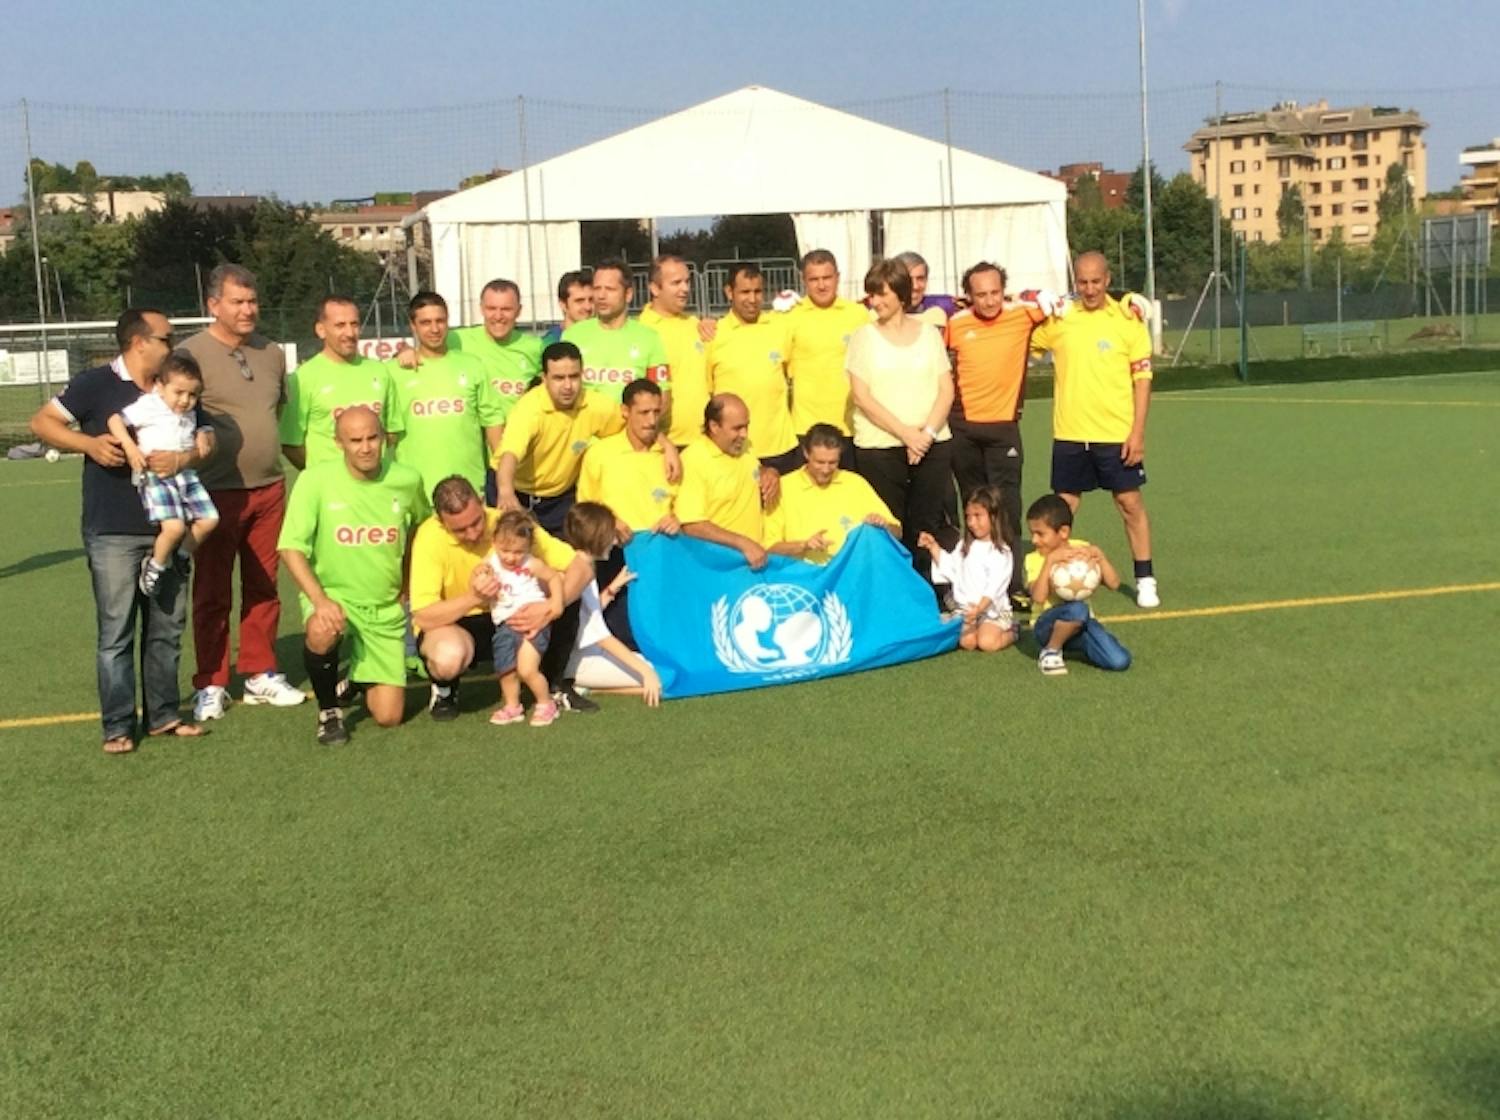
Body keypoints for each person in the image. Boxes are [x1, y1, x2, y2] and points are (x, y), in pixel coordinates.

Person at [29, 308, 205, 753]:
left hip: (171, 526)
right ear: (139, 342)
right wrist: (88, 444)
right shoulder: (95, 384)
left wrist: (186, 457)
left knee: (166, 628)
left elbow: (203, 438)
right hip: (113, 530)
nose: (174, 345)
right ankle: (118, 726)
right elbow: (42, 423)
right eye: (166, 337)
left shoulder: (177, 384)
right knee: (116, 632)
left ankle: (164, 716)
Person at [179, 263, 305, 720]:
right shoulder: (189, 353)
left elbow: (280, 414)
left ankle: (259, 673)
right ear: (214, 305)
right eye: (237, 302)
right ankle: (211, 682)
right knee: (212, 593)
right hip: (214, 494)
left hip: (270, 488)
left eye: (252, 300)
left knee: (264, 585)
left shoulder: (271, 352)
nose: (248, 309)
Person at [277, 406, 428, 744]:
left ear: (384, 437)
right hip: (335, 596)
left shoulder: (407, 479)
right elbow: (290, 548)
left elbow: (421, 525)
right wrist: (320, 600)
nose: (365, 447)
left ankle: (357, 679)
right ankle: (329, 712)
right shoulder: (314, 480)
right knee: (321, 629)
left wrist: (407, 581)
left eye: (372, 438)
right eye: (355, 440)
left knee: (389, 717)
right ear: (338, 443)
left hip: (384, 606)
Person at [1030, 250, 1159, 608]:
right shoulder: (1061, 319)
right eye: (1083, 282)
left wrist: (1137, 433)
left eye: (1096, 282)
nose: (1089, 289)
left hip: (1116, 434)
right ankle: (1049, 577)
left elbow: (1143, 379)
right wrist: (1034, 304)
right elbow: (1023, 340)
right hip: (1070, 433)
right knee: (1062, 509)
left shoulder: (1127, 320)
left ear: (1108, 279)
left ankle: (1145, 578)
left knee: (1130, 503)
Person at [409, 476, 594, 721]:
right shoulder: (429, 537)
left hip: (514, 615)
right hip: (461, 622)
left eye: (476, 522)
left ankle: (555, 683)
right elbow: (423, 614)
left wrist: (550, 607)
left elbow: (583, 567)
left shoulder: (509, 524)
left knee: (562, 582)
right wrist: (473, 597)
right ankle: (445, 689)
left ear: (482, 502)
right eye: (460, 530)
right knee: (448, 657)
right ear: (441, 522)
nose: (473, 533)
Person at [846, 257, 955, 593]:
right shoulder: (863, 337)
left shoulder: (928, 334)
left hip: (932, 445)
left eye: (882, 294)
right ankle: (893, 597)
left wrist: (926, 435)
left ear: (901, 294)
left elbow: (946, 389)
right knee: (889, 525)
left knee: (927, 524)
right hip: (880, 448)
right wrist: (906, 433)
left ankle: (928, 594)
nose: (875, 302)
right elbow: (862, 396)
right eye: (871, 295)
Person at [944, 262, 1046, 607]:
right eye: (980, 294)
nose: (989, 301)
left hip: (1004, 429)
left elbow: (1070, 303)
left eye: (994, 292)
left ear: (1005, 290)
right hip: (963, 429)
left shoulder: (1024, 315)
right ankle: (970, 583)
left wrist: (1130, 300)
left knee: (1006, 507)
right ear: (968, 295)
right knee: (972, 508)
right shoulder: (955, 324)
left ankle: (1012, 584)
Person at [106, 353, 219, 596]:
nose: (185, 400)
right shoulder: (150, 404)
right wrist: (129, 446)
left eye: (192, 395)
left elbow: (199, 426)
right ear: (160, 386)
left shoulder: (188, 411)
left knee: (210, 520)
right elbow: (115, 420)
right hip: (157, 476)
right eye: (178, 392)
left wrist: (200, 433)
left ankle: (181, 556)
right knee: (175, 528)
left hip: (185, 475)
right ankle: (155, 565)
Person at [494, 341, 625, 534]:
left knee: (567, 558)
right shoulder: (529, 409)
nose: (567, 386)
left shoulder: (595, 404)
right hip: (515, 491)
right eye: (558, 378)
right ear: (544, 378)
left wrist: (666, 445)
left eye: (573, 377)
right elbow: (510, 454)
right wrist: (505, 491)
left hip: (560, 498)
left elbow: (634, 425)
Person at [388, 290, 507, 501]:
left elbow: (493, 422)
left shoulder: (472, 366)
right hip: (417, 490)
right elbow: (387, 435)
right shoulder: (394, 372)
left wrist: (503, 478)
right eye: (425, 323)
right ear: (413, 326)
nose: (434, 329)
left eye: (440, 321)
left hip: (469, 488)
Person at [561, 501, 662, 706]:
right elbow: (600, 636)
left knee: (656, 668)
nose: (615, 541)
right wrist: (645, 672)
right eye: (610, 535)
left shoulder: (578, 565)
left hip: (582, 655)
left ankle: (582, 685)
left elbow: (586, 615)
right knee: (659, 677)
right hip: (578, 662)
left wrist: (612, 588)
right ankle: (583, 686)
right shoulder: (582, 573)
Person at [705, 262, 800, 475]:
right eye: (745, 292)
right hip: (735, 449)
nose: (752, 299)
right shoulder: (714, 335)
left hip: (780, 448)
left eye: (758, 291)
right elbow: (708, 393)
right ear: (729, 292)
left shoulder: (780, 328)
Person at [279, 295, 394, 471]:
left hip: (375, 488)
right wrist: (324, 476)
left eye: (354, 324)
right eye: (340, 325)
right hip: (330, 491)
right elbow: (290, 444)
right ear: (320, 330)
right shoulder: (302, 379)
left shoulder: (380, 372)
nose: (349, 333)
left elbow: (391, 432)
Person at [1024, 493, 1131, 676]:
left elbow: (1113, 584)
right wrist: (1050, 562)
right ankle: (1051, 650)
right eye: (1032, 534)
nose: (1034, 540)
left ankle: (1078, 643)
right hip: (1046, 627)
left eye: (1040, 534)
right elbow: (1038, 597)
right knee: (1077, 608)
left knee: (1120, 660)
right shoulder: (1035, 558)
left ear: (1063, 532)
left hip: (1081, 625)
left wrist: (1100, 557)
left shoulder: (1081, 548)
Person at [763, 423, 898, 564]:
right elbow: (770, 548)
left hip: (850, 570)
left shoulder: (855, 483)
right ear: (806, 453)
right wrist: (804, 545)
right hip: (803, 574)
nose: (826, 469)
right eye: (820, 462)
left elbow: (897, 532)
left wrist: (884, 526)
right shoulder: (783, 487)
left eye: (832, 462)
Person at [782, 250, 869, 466]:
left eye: (827, 278)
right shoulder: (789, 316)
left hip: (849, 427)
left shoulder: (858, 314)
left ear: (837, 277)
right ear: (804, 281)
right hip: (806, 428)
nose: (821, 285)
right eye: (814, 279)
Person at [678, 394, 779, 570]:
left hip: (753, 562)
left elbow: (754, 471)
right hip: (719, 566)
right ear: (714, 426)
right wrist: (743, 543)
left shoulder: (744, 447)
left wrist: (770, 472)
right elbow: (692, 525)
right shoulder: (693, 460)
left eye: (746, 426)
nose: (744, 434)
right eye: (737, 428)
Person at [483, 511, 564, 728]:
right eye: (505, 551)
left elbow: (554, 577)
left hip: (533, 624)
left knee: (527, 669)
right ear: (494, 543)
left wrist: (555, 603)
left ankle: (546, 703)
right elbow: (478, 575)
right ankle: (512, 706)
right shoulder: (491, 562)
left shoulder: (532, 564)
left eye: (518, 551)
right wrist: (481, 579)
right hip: (504, 624)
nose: (511, 557)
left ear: (528, 547)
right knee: (506, 669)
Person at [917, 485, 1017, 653]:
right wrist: (933, 546)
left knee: (987, 643)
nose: (972, 523)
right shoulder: (965, 545)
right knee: (968, 642)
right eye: (968, 517)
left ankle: (1012, 632)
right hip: (966, 610)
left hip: (991, 611)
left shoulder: (1001, 552)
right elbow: (951, 568)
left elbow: (994, 587)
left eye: (978, 516)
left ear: (993, 516)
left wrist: (979, 609)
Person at [562, 259, 669, 403]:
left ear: (628, 294)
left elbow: (662, 397)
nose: (601, 296)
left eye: (610, 289)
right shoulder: (573, 335)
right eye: (597, 288)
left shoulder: (649, 339)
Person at [638, 254, 709, 448]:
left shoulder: (695, 325)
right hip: (662, 444)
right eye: (676, 283)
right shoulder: (641, 330)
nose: (685, 289)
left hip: (703, 442)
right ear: (654, 288)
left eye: (687, 281)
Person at [447, 279, 544, 412]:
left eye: (506, 309)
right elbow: (424, 351)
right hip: (476, 431)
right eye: (491, 308)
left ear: (519, 311)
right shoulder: (456, 339)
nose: (498, 316)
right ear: (481, 309)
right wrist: (407, 351)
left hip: (518, 431)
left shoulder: (536, 347)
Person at [894, 251, 958, 329]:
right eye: (908, 279)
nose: (915, 286)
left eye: (920, 279)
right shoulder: (878, 312)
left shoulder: (944, 306)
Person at [542, 270, 594, 345]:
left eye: (591, 300)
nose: (588, 307)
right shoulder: (551, 342)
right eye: (579, 301)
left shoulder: (606, 338)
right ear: (563, 304)